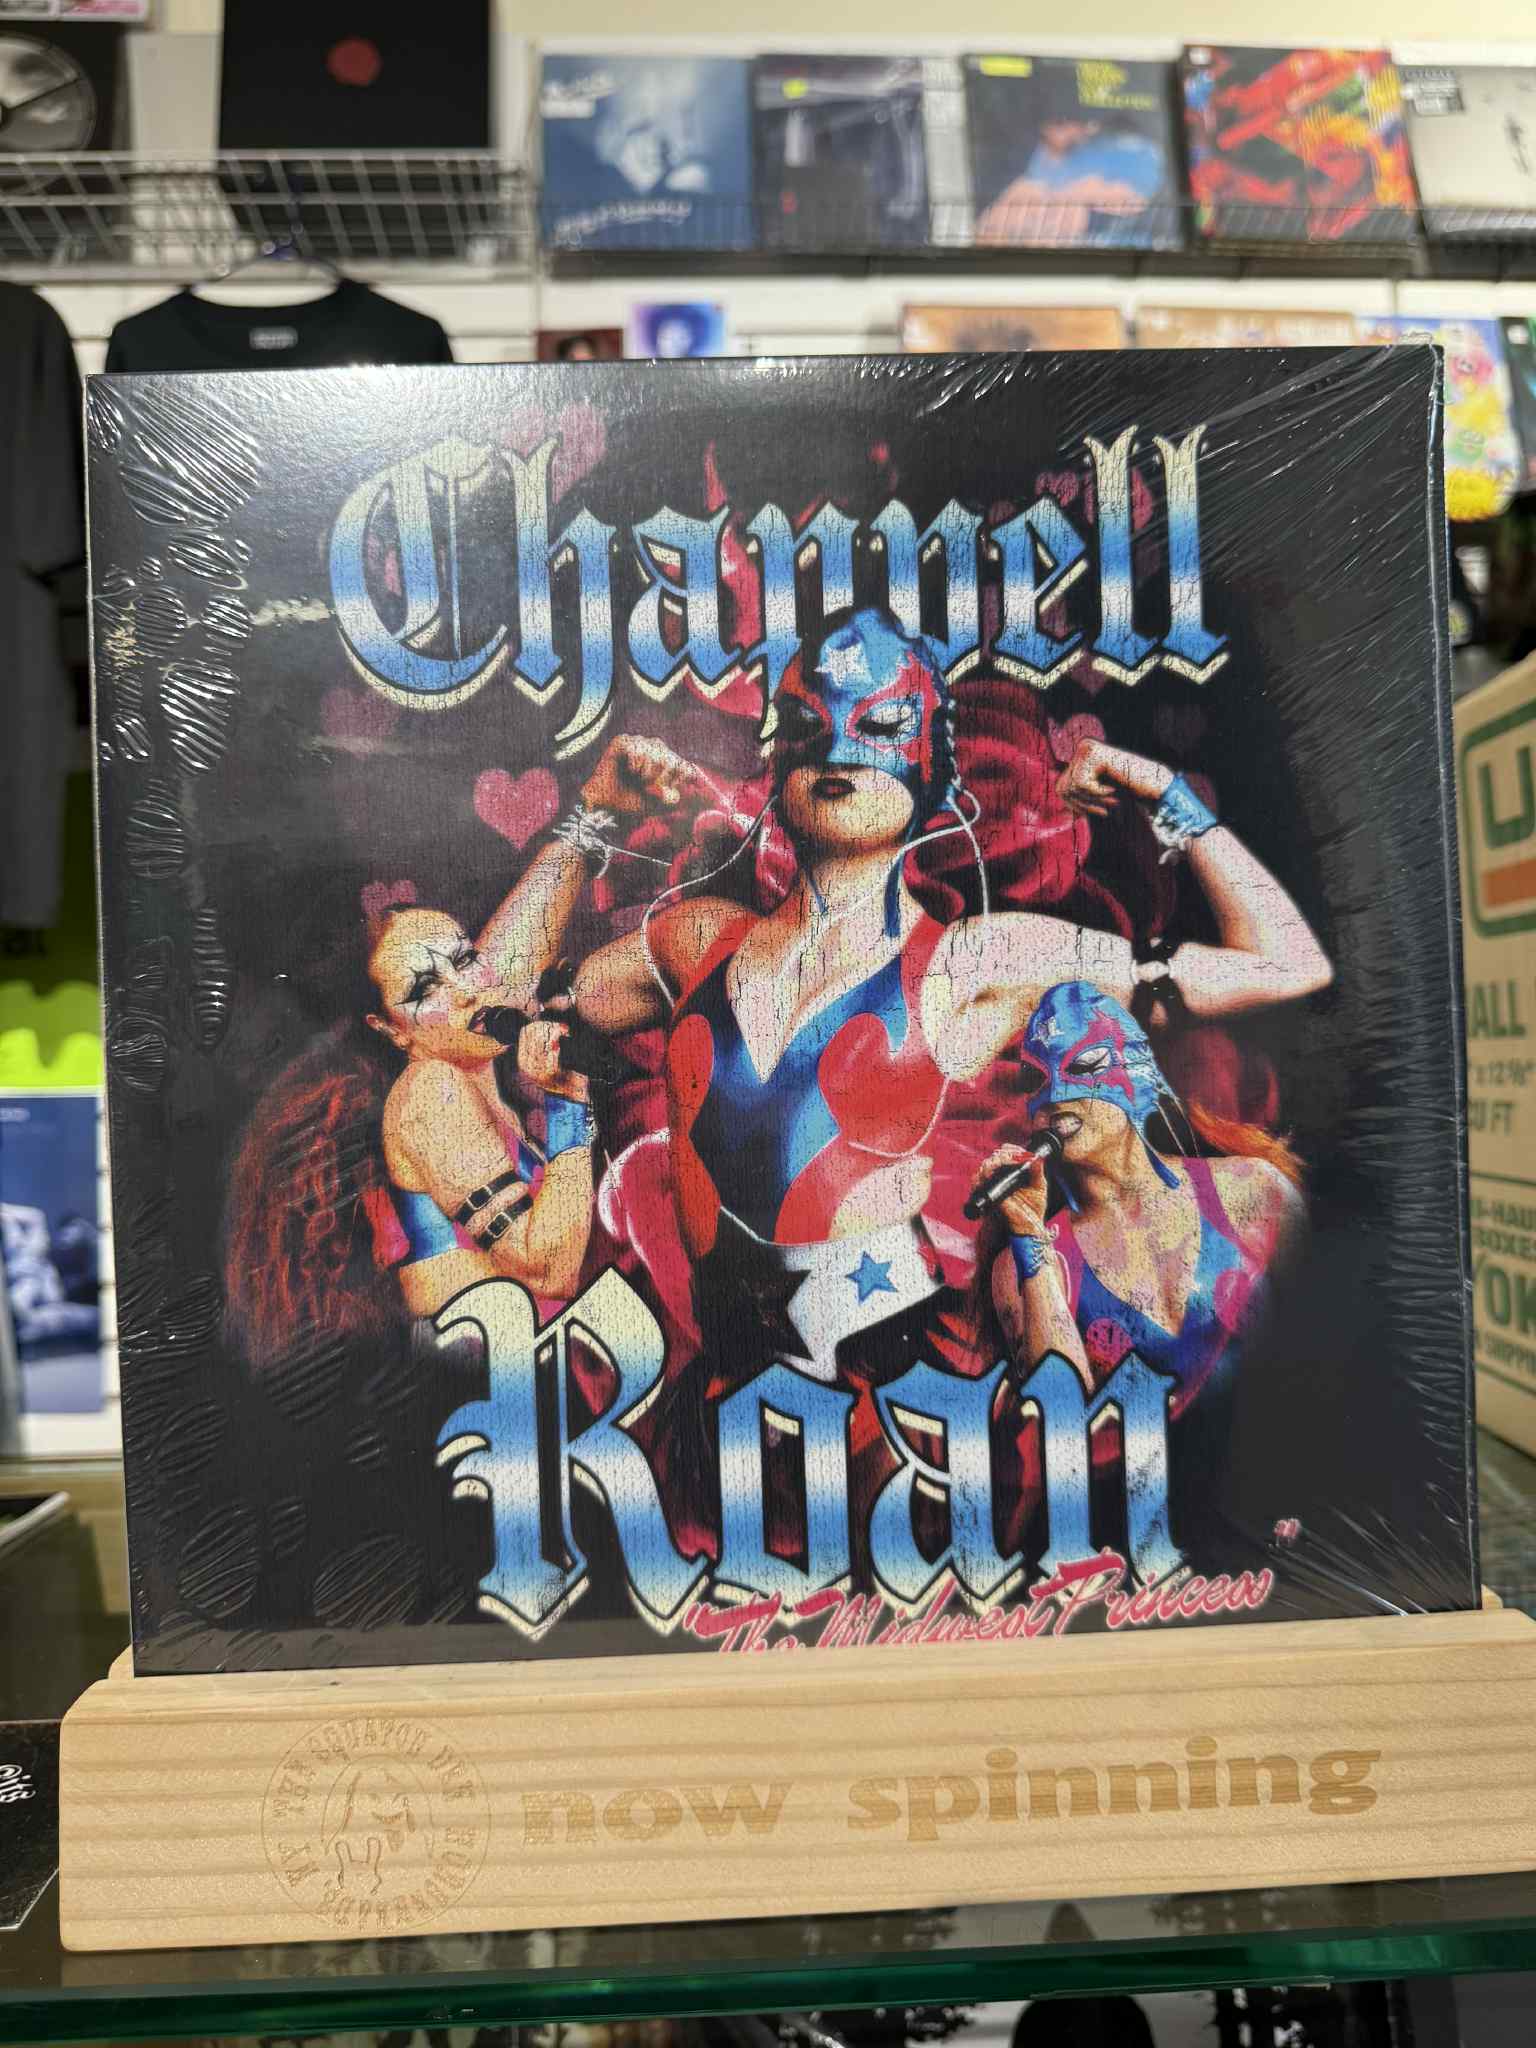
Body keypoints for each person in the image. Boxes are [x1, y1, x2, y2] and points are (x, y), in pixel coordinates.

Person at [505, 604, 1330, 1386]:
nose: (839, 752)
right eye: (807, 727)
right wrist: (593, 815)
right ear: (777, 760)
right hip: (720, 1398)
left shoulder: (979, 960)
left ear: (934, 767)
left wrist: (1152, 786)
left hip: (887, 1404)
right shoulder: (695, 943)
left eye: (880, 725)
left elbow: (1284, 966)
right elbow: (490, 999)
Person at [224, 734, 693, 1367]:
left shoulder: (466, 1057)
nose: (464, 987)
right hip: (489, 1384)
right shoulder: (430, 1094)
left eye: (464, 959)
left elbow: (507, 960)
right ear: (391, 1030)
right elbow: (547, 1268)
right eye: (424, 990)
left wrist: (599, 810)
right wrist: (565, 1104)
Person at [972, 979, 1304, 1410]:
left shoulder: (1252, 1189)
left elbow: (1332, 1326)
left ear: (1133, 1072)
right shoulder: (1025, 1264)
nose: (1057, 1098)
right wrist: (1030, 1241)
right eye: (1036, 1080)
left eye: (1085, 1065)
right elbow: (1063, 1417)